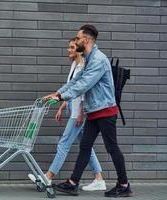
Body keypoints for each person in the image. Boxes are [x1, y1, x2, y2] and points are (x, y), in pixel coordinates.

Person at [43, 24, 133, 197]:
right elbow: (75, 80)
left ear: (87, 39)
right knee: (85, 146)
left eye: (78, 38)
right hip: (94, 111)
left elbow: (84, 85)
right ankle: (72, 183)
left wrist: (62, 98)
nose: (76, 41)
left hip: (105, 112)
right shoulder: (89, 58)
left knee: (112, 147)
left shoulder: (98, 59)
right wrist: (57, 93)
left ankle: (124, 185)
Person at [28, 38, 106, 191]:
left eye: (71, 47)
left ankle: (48, 177)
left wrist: (81, 114)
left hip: (79, 113)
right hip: (74, 110)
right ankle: (99, 179)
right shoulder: (74, 65)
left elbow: (83, 91)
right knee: (86, 146)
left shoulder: (83, 66)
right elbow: (70, 89)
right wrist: (62, 106)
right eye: (68, 47)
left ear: (79, 49)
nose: (68, 50)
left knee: (63, 143)